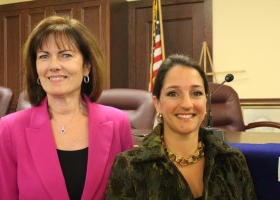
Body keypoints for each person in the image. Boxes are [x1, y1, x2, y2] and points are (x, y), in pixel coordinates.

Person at [0, 15, 133, 200]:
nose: (54, 65)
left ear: (86, 66)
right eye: (44, 56)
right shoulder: (11, 128)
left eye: (66, 55)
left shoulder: (118, 123)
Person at [105, 54, 257, 199]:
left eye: (196, 93)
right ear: (157, 104)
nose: (186, 104)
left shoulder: (232, 160)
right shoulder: (130, 166)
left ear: (206, 101)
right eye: (173, 93)